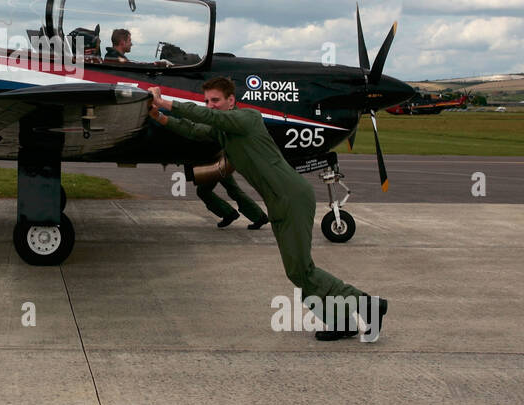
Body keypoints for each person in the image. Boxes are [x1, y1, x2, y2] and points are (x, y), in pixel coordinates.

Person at [151, 77, 387, 341]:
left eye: (215, 100)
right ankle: (340, 321)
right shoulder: (225, 131)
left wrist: (167, 102)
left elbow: (205, 116)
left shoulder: (247, 119)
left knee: (300, 269)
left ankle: (367, 304)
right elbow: (194, 129)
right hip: (278, 201)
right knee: (298, 270)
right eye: (207, 101)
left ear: (231, 101)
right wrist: (160, 117)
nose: (210, 106)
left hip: (291, 197)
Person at [185, 161, 270, 229]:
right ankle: (258, 216)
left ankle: (229, 213)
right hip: (218, 161)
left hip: (214, 163)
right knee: (232, 190)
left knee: (203, 191)